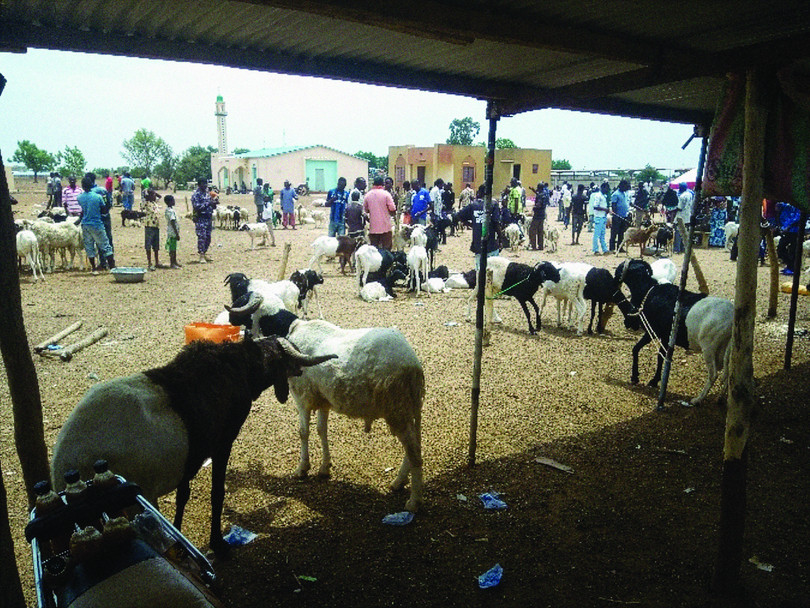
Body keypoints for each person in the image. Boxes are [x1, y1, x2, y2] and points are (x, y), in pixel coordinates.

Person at [454, 184, 501, 269]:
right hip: (491, 244)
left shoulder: (473, 206)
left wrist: (470, 224)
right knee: (492, 270)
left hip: (478, 244)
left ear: (479, 192)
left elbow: (458, 215)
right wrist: (501, 238)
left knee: (479, 270)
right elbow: (496, 223)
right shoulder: (493, 204)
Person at [77, 175, 115, 273]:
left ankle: (94, 268)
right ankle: (112, 267)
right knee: (105, 245)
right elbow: (103, 209)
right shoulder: (98, 197)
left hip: (85, 224)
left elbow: (83, 210)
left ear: (83, 186)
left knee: (89, 246)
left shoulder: (80, 197)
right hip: (97, 224)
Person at [363, 175, 396, 249]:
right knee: (386, 249)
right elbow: (393, 209)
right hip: (386, 227)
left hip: (373, 228)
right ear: (382, 184)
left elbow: (365, 210)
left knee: (374, 249)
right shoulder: (386, 194)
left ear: (373, 184)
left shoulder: (367, 195)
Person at [191, 177, 217, 263]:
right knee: (202, 237)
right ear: (199, 185)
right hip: (201, 218)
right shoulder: (196, 195)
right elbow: (197, 207)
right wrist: (208, 203)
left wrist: (214, 204)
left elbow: (210, 203)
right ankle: (201, 255)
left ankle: (205, 253)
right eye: (203, 184)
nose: (205, 185)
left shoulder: (207, 193)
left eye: (206, 184)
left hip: (208, 217)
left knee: (208, 237)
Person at [141, 183, 164, 270]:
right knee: (148, 245)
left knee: (156, 245)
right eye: (153, 195)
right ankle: (149, 262)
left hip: (156, 226)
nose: (155, 196)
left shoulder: (154, 203)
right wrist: (148, 193)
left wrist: (154, 193)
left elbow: (160, 196)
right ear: (149, 196)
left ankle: (157, 262)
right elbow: (144, 197)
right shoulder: (146, 203)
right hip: (149, 226)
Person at [609, 179, 631, 252]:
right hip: (617, 217)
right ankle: (612, 248)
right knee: (614, 233)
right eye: (625, 186)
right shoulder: (615, 194)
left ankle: (620, 247)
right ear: (621, 186)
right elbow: (613, 205)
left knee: (621, 233)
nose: (626, 188)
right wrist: (616, 215)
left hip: (624, 216)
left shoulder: (625, 193)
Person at [673, 182, 694, 254]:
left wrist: (672, 210)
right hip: (688, 217)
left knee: (678, 233)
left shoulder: (682, 196)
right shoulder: (690, 194)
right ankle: (684, 248)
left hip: (680, 217)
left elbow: (679, 207)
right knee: (685, 233)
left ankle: (677, 249)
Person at [528, 182, 548, 250]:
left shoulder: (540, 195)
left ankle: (533, 246)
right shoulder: (544, 194)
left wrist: (533, 207)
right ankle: (541, 246)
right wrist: (532, 189)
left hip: (537, 215)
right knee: (540, 231)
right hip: (542, 215)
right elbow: (538, 193)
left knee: (532, 230)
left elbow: (539, 204)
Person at [591, 183, 609, 255]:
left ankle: (605, 249)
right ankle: (595, 250)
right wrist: (605, 209)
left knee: (602, 235)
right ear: (603, 188)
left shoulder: (604, 196)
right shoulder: (598, 196)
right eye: (606, 188)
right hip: (598, 217)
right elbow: (595, 206)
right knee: (596, 235)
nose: (607, 190)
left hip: (603, 217)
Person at [164, 194, 182, 269]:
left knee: (174, 248)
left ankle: (174, 261)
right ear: (169, 202)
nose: (174, 201)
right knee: (172, 249)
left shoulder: (170, 210)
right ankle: (172, 263)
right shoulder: (170, 211)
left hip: (172, 232)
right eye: (173, 200)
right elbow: (172, 222)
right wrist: (177, 233)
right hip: (172, 232)